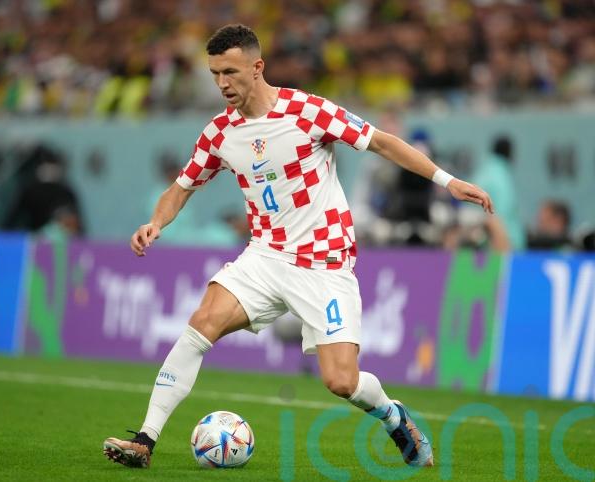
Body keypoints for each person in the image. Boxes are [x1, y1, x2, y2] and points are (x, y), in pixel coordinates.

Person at [103, 24, 493, 470]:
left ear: (257, 67)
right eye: (215, 74)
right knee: (201, 322)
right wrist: (155, 222)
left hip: (323, 263)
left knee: (341, 381)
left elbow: (382, 143)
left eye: (230, 72)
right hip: (265, 256)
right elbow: (181, 188)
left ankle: (392, 415)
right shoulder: (219, 134)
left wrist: (448, 181)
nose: (222, 83)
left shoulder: (306, 111)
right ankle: (145, 440)